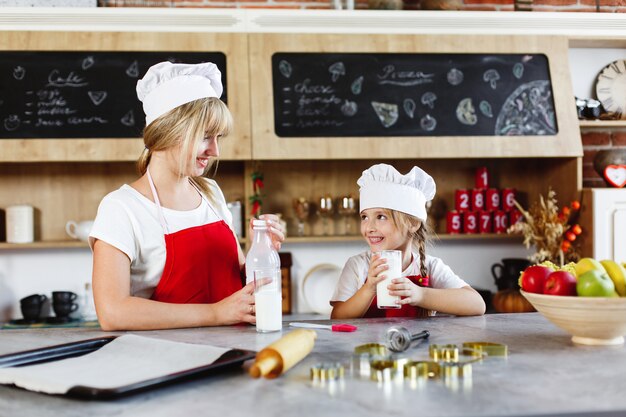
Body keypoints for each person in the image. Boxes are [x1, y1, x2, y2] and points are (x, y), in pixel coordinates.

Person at [89, 61, 284, 331]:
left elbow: (236, 283)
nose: (215, 150)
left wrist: (261, 251)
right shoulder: (122, 208)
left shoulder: (211, 193)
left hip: (233, 352)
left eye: (218, 138)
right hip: (165, 362)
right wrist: (216, 314)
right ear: (168, 132)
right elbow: (112, 312)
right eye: (205, 137)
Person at [330, 164, 485, 319]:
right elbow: (337, 317)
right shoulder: (358, 265)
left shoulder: (430, 267)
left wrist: (421, 295)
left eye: (381, 217)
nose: (369, 227)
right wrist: (369, 289)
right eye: (364, 217)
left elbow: (477, 305)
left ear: (413, 224)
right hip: (370, 344)